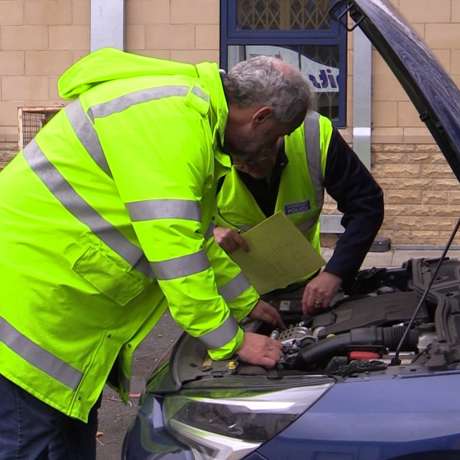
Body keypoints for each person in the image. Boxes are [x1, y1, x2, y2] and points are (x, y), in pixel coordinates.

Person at [0, 49, 311, 458]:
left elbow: (195, 236)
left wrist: (247, 302)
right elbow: (175, 253)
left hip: (61, 312)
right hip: (32, 317)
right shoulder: (174, 123)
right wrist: (232, 343)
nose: (270, 149)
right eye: (274, 137)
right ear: (261, 116)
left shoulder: (193, 118)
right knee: (34, 447)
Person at [214, 104, 384, 314]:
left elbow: (366, 203)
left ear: (278, 135)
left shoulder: (314, 134)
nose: (249, 166)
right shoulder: (209, 145)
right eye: (239, 162)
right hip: (235, 290)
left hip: (302, 285)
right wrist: (210, 232)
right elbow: (175, 220)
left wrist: (336, 272)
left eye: (258, 156)